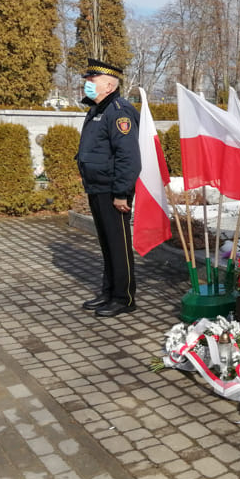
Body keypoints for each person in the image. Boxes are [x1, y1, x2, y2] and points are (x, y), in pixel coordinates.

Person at [77, 58, 142, 317]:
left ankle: (124, 297)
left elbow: (128, 156)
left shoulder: (119, 111)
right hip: (96, 186)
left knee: (119, 245)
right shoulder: (96, 110)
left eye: (91, 81)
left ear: (108, 84)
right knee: (106, 243)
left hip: (112, 189)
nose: (87, 85)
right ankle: (108, 291)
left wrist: (121, 193)